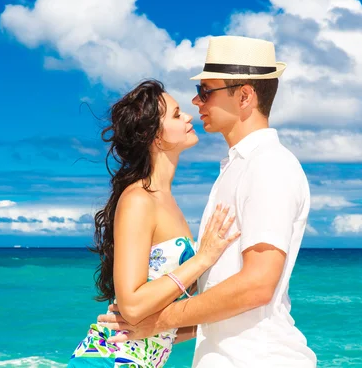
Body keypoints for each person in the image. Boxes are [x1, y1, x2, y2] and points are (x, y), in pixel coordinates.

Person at [98, 36, 318, 367]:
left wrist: (155, 322)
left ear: (244, 96)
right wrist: (147, 324)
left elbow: (257, 286)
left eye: (206, 91)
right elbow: (218, 303)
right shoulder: (234, 171)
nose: (196, 102)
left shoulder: (268, 165)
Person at [67, 79, 241, 367]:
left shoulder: (167, 201)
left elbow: (159, 321)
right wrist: (203, 259)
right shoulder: (138, 199)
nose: (188, 117)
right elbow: (132, 305)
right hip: (111, 359)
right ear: (155, 137)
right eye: (176, 114)